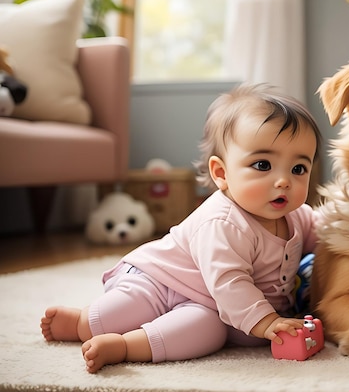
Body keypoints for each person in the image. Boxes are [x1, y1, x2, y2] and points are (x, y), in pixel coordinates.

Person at [40, 84, 323, 373]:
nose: (283, 181)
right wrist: (268, 322)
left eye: (298, 169)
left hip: (209, 306)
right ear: (221, 173)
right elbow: (230, 283)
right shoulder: (222, 222)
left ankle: (126, 346)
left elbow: (326, 232)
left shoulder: (298, 217)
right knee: (124, 310)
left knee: (207, 333)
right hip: (157, 280)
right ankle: (80, 322)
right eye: (263, 164)